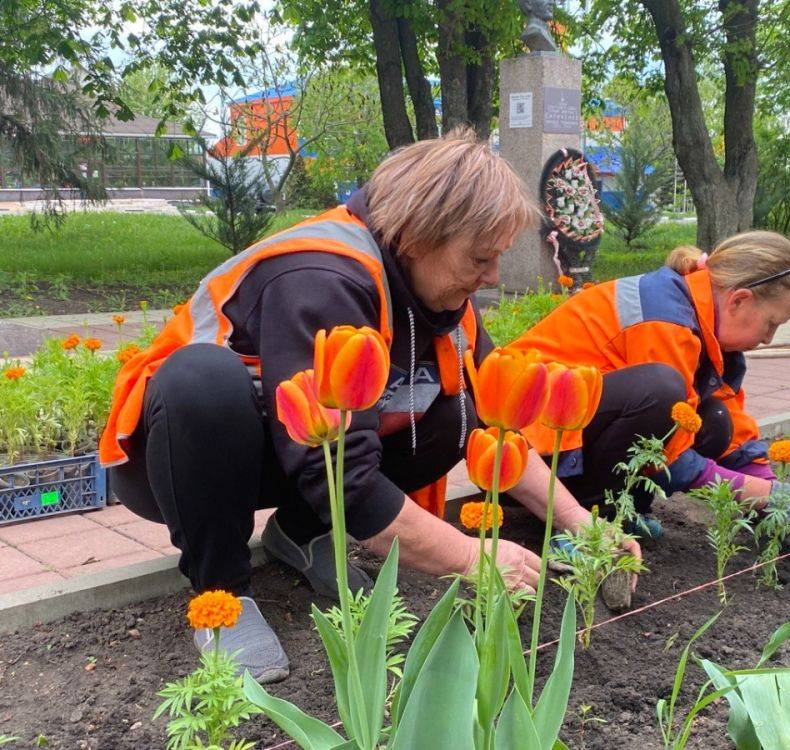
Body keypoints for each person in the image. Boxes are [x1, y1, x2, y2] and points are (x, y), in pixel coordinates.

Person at [99, 129, 610, 683]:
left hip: (290, 453)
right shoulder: (321, 276)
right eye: (480, 259)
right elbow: (338, 473)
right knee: (203, 379)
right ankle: (222, 593)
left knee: (454, 410)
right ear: (417, 237)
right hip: (180, 459)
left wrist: (583, 526)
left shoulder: (440, 293)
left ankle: (300, 532)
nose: (490, 278)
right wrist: (473, 560)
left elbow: (496, 423)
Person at [508, 231, 790, 577]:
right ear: (738, 300)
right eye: (771, 324)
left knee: (715, 420)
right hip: (522, 455)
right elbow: (670, 460)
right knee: (661, 393)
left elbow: (737, 436)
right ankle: (580, 525)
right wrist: (773, 497)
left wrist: (782, 516)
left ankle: (618, 513)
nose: (768, 339)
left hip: (569, 441)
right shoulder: (664, 319)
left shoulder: (705, 327)